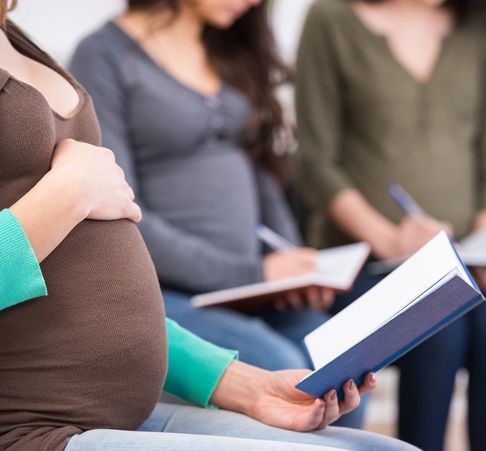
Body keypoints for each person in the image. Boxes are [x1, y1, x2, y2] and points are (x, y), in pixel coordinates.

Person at [0, 3, 419, 450]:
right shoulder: (107, 55)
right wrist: (71, 191)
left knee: (384, 448)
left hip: (119, 413)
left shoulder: (15, 33)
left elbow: (89, 289)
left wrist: (242, 385)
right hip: (32, 429)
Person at [295, 0, 486, 450]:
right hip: (366, 262)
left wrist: (485, 247)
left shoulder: (478, 32)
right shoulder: (331, 20)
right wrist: (392, 242)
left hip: (459, 264)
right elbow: (316, 165)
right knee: (439, 329)